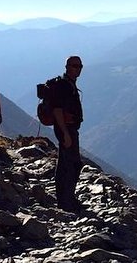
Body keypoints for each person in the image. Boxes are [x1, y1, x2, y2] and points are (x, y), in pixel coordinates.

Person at [52, 56, 84, 213]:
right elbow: (57, 110)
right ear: (67, 66)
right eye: (75, 66)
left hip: (68, 129)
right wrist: (65, 133)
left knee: (64, 164)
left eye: (80, 66)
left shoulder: (68, 84)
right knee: (74, 165)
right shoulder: (63, 86)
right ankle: (67, 201)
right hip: (67, 129)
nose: (78, 69)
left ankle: (63, 199)